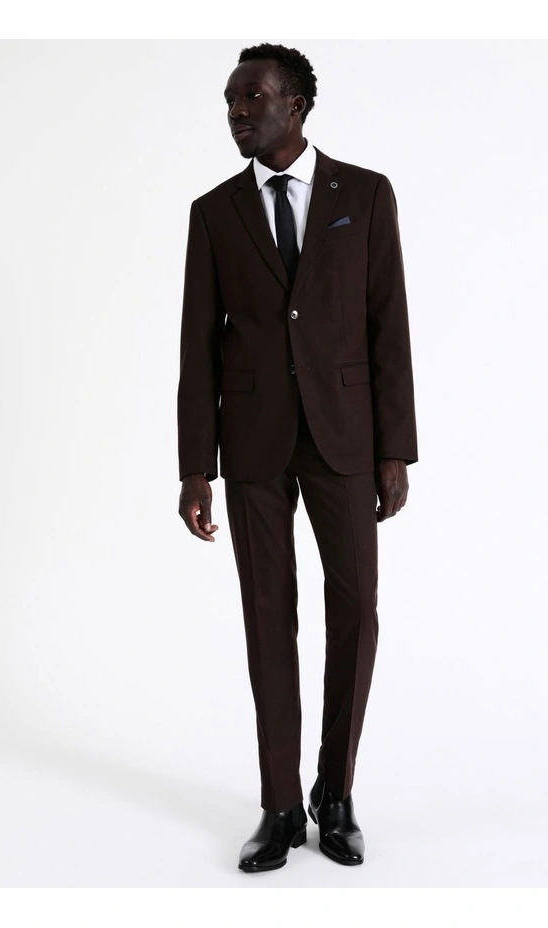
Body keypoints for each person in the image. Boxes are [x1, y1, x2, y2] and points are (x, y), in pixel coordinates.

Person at [177, 43, 418, 872]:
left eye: (254, 97)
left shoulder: (366, 194)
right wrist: (196, 466)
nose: (238, 112)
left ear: (298, 105)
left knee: (356, 612)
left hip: (346, 437)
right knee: (267, 616)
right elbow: (197, 347)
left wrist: (395, 449)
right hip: (252, 444)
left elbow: (389, 327)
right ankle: (280, 804)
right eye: (231, 100)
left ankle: (335, 794)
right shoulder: (214, 213)